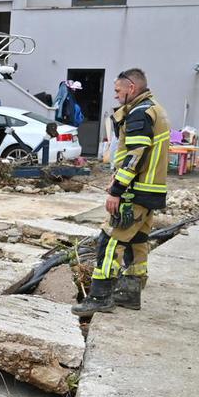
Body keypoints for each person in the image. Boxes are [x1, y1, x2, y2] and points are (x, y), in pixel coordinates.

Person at [72, 68, 170, 316]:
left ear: (131, 88)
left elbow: (135, 156)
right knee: (136, 242)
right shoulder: (154, 109)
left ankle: (100, 297)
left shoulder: (139, 114)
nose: (115, 96)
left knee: (110, 240)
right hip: (152, 190)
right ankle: (130, 293)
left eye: (117, 90)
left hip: (135, 191)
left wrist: (117, 190)